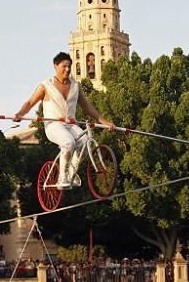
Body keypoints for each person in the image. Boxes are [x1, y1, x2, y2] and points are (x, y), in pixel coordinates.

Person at [13, 52, 115, 188]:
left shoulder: (75, 86)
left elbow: (88, 108)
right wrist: (20, 114)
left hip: (71, 124)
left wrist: (104, 122)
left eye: (69, 67)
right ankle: (62, 177)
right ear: (55, 66)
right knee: (68, 143)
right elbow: (30, 102)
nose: (67, 69)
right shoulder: (46, 85)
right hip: (54, 125)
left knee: (85, 143)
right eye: (64, 66)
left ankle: (71, 173)